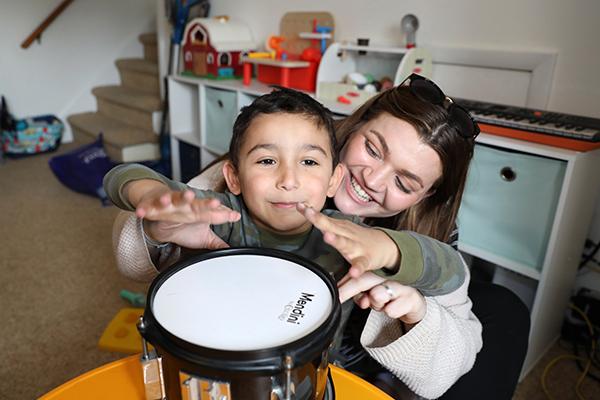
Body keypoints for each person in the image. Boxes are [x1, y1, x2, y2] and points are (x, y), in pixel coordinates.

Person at [109, 76, 528, 398]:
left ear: (425, 196)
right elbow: (140, 223)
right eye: (374, 149)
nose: (372, 179)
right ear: (352, 127)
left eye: (404, 182)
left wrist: (401, 279)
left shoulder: (420, 233)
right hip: (246, 356)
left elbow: (450, 288)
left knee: (505, 309)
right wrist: (155, 218)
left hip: (337, 365)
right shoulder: (276, 153)